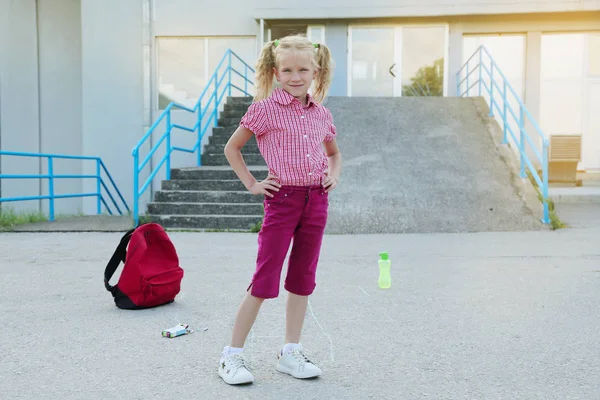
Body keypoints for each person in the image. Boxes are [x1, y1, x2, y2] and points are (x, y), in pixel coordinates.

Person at [219, 34, 342, 385]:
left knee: (302, 280)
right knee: (264, 280)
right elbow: (233, 148)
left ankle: (290, 352)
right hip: (282, 201)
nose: (295, 76)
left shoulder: (321, 113)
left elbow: (334, 154)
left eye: (303, 69)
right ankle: (232, 356)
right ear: (275, 72)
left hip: (316, 201)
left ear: (315, 71)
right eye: (287, 70)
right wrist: (253, 184)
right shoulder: (263, 110)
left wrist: (333, 175)